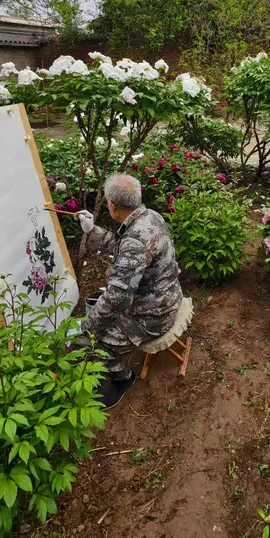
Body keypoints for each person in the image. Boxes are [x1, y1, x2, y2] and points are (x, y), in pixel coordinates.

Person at [75, 173, 183, 408]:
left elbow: (118, 299)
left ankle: (123, 379)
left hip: (153, 315)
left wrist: (86, 328)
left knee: (99, 343)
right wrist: (92, 230)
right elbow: (124, 247)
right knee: (98, 322)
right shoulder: (149, 217)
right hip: (167, 296)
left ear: (111, 204)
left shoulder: (135, 239)